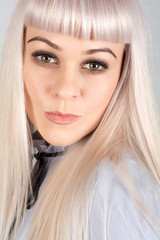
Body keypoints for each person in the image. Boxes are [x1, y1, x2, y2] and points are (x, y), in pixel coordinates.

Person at [0, 0, 160, 239]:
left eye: (94, 64)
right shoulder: (46, 162)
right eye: (45, 57)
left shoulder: (116, 192)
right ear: (19, 58)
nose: (65, 89)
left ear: (124, 74)